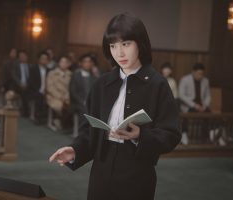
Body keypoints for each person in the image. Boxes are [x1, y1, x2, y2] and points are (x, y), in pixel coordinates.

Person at [49, 13, 180, 200]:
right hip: (101, 174)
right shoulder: (102, 84)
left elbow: (171, 134)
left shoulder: (157, 84)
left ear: (140, 44)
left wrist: (141, 135)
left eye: (126, 44)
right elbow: (89, 131)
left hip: (137, 175)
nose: (119, 53)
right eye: (113, 46)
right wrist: (75, 150)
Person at [178, 63, 211, 145]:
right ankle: (184, 134)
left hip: (202, 105)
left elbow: (208, 96)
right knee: (186, 115)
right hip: (189, 105)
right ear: (193, 72)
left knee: (209, 114)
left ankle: (207, 136)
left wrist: (205, 105)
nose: (200, 76)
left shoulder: (205, 81)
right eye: (198, 74)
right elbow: (181, 95)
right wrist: (194, 105)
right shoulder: (185, 79)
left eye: (202, 74)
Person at [69, 53, 97, 133]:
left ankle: (95, 132)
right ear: (80, 63)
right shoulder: (75, 75)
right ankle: (84, 133)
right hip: (78, 102)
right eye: (85, 61)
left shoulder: (93, 76)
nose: (88, 63)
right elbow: (73, 92)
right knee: (85, 109)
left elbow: (95, 92)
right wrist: (83, 101)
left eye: (89, 62)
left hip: (90, 102)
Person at [46, 55, 72, 129]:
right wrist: (60, 97)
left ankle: (62, 122)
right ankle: (58, 120)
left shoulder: (70, 74)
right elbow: (50, 88)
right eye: (62, 62)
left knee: (71, 106)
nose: (63, 64)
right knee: (61, 106)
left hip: (66, 97)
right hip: (54, 97)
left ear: (68, 64)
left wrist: (66, 97)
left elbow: (70, 88)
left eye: (65, 62)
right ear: (58, 63)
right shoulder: (52, 73)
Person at [28, 51, 50, 124]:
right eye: (42, 58)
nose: (44, 60)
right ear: (39, 60)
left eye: (45, 59)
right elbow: (31, 82)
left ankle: (45, 118)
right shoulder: (33, 69)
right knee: (39, 96)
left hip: (47, 91)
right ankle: (38, 117)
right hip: (36, 90)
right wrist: (39, 91)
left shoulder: (49, 70)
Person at [11, 50, 31, 117]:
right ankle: (26, 111)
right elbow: (14, 76)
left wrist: (27, 84)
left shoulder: (30, 66)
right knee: (24, 92)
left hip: (28, 86)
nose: (22, 58)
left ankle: (27, 110)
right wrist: (20, 84)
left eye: (24, 56)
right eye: (21, 56)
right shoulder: (15, 65)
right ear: (19, 58)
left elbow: (31, 77)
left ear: (27, 57)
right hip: (18, 86)